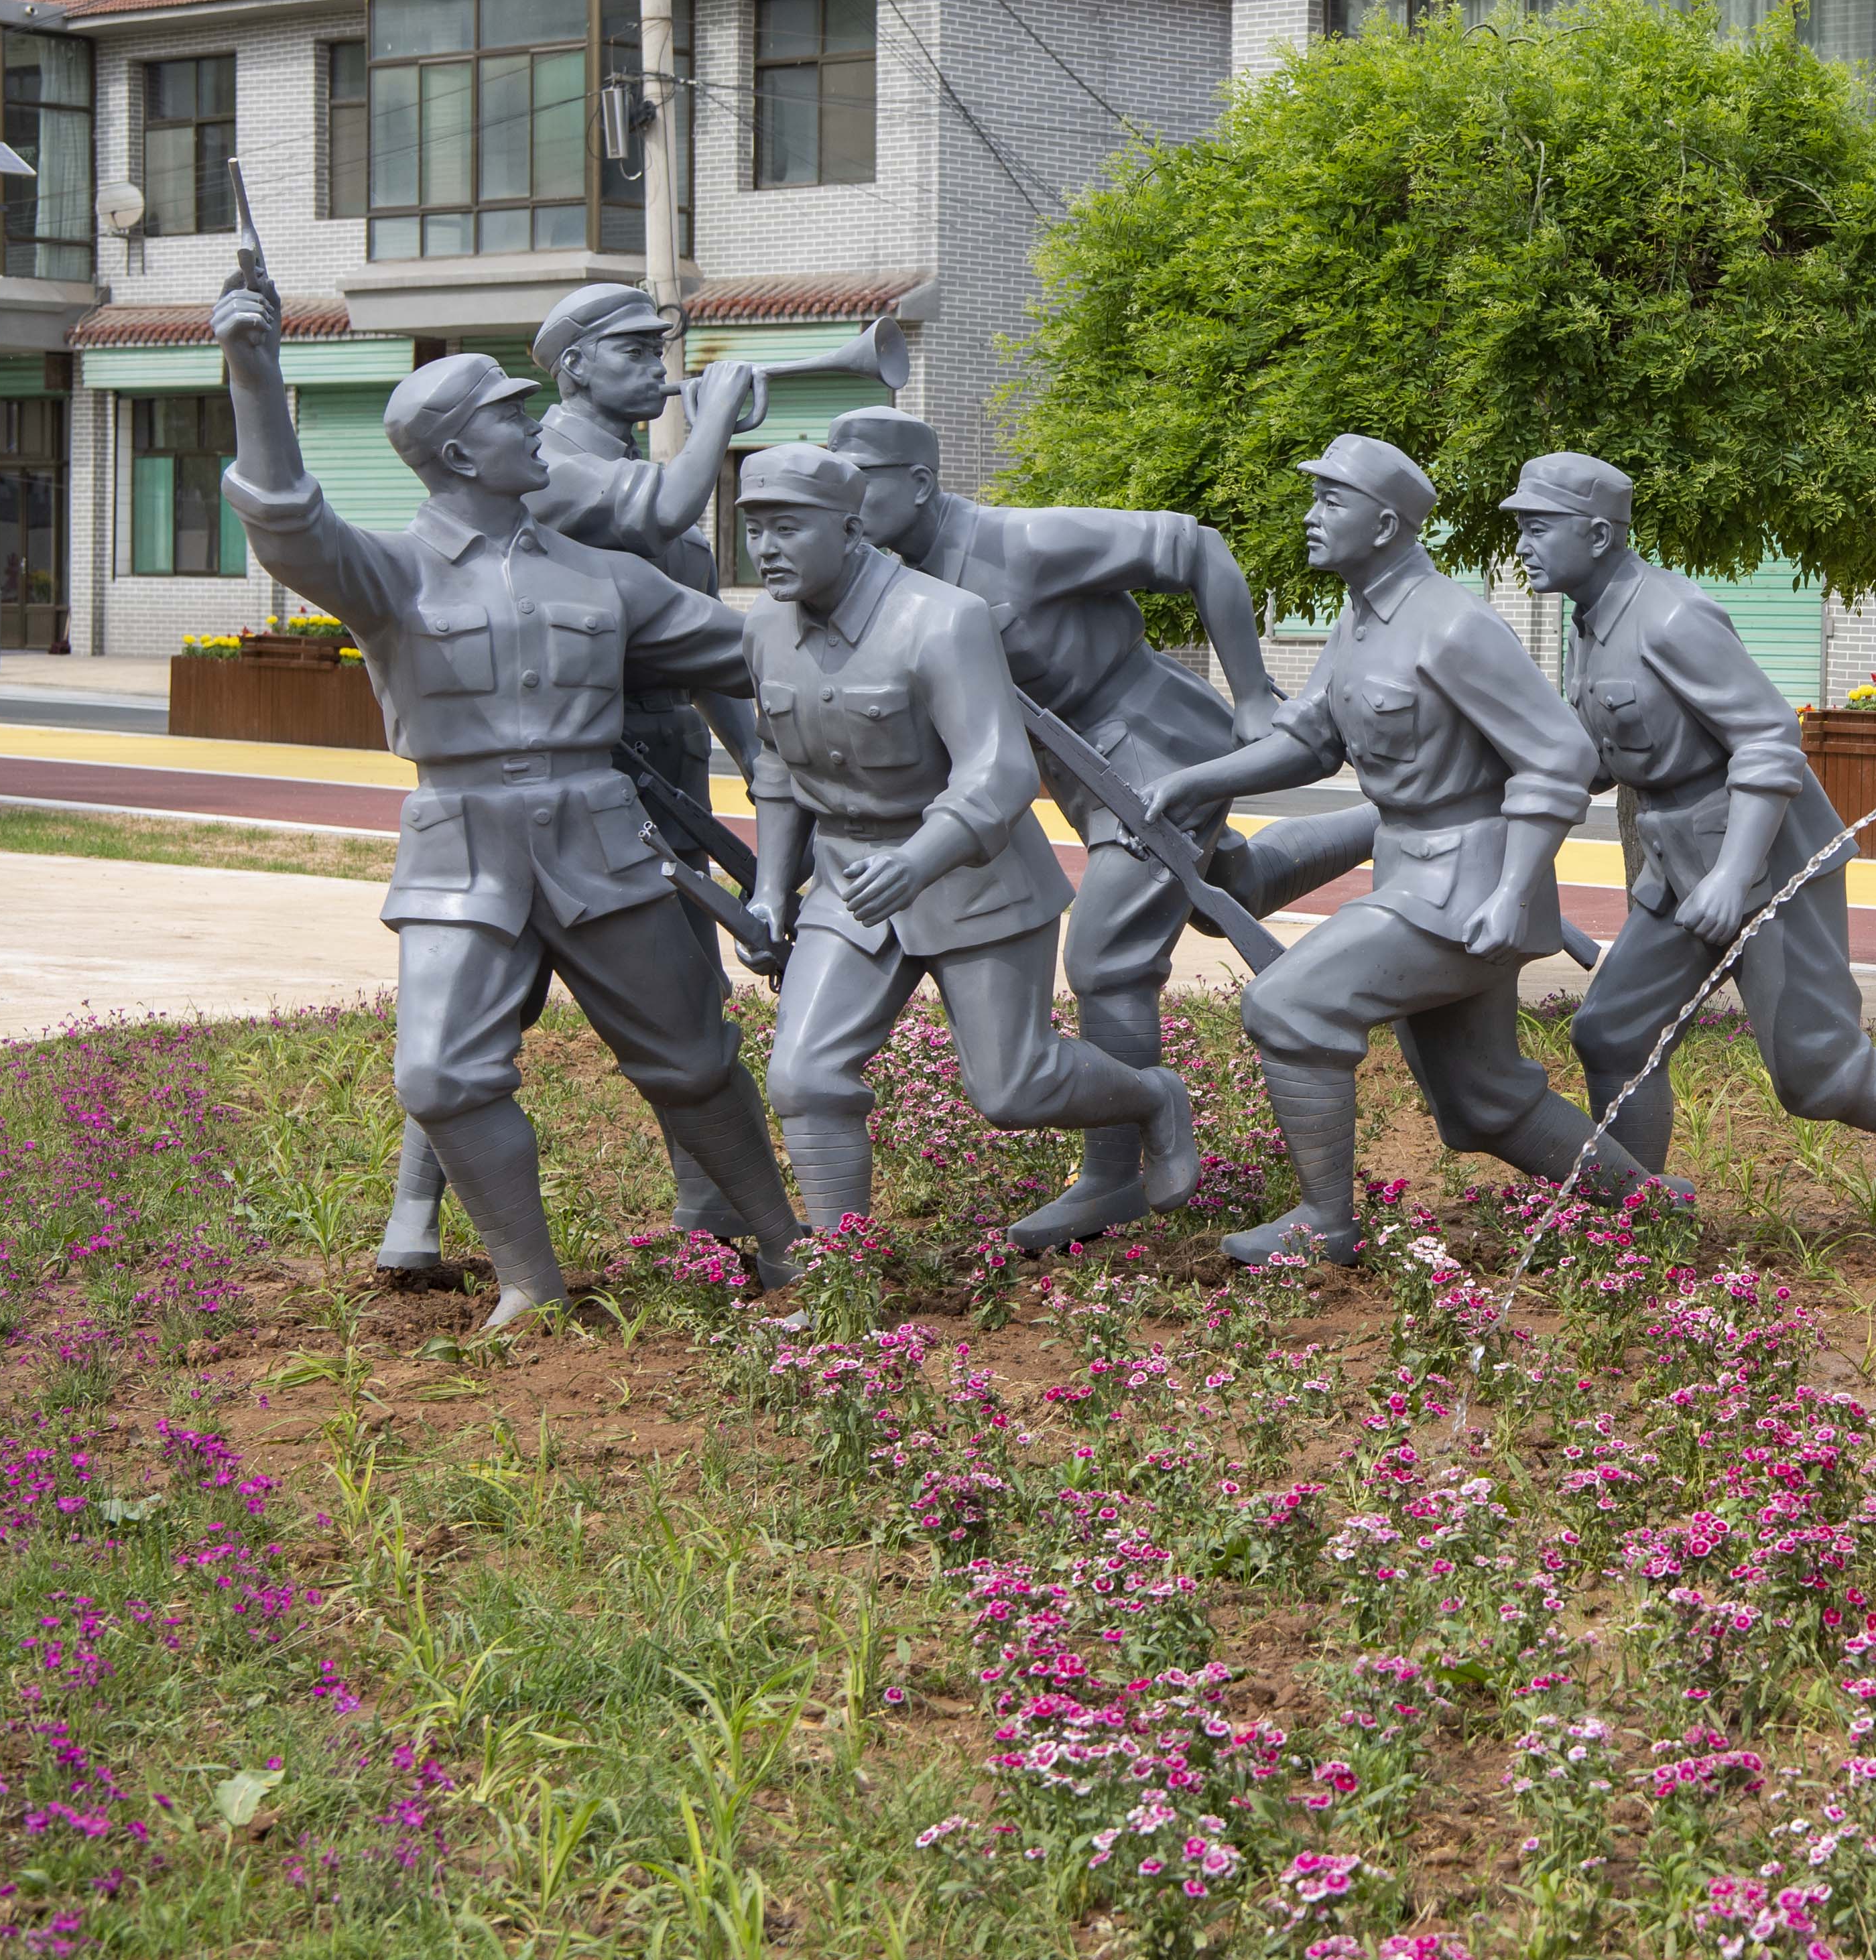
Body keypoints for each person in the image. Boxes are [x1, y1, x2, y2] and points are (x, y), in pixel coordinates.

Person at [209, 262, 805, 1331]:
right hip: (461, 852)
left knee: (693, 1059)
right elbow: (287, 521)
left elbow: (754, 648)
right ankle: (530, 1284)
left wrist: (921, 622)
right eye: (507, 417)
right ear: (455, 454)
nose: (534, 430)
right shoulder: (391, 572)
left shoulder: (604, 574)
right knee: (441, 1077)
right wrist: (254, 372)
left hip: (600, 843)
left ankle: (785, 1249)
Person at [825, 407, 1381, 1248]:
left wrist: (1252, 692)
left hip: (1157, 745)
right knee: (1229, 886)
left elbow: (1199, 548)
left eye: (861, 480)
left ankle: (1114, 1173)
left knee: (1104, 954)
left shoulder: (1023, 541)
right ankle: (1387, 819)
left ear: (920, 483)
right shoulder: (895, 580)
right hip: (1078, 774)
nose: (846, 499)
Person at [1505, 452, 1876, 1252]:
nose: (1522, 544)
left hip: (1770, 865)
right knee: (1613, 1035)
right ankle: (1637, 1214)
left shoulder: (1672, 618)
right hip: (1680, 864)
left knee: (1816, 1073)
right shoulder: (1589, 625)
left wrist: (1733, 874)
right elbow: (1601, 756)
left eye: (1537, 526)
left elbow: (1767, 741)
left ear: (1597, 533)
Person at [1144, 436, 1649, 1268]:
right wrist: (1197, 782)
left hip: (1469, 887)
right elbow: (1312, 740)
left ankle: (1325, 1222)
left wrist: (1513, 891)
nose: (1311, 517)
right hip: (1415, 871)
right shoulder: (1359, 617)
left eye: (1331, 501)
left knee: (1288, 1003)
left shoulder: (1451, 625)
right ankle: (1652, 1208)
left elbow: (1560, 755)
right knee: (1482, 1101)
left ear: (1384, 525)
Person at [373, 282, 769, 1270]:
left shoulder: (629, 482)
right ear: (575, 366)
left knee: (681, 995)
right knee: (483, 1001)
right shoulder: (551, 468)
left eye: (657, 350)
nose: (656, 369)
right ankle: (417, 1211)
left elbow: (704, 646)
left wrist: (756, 757)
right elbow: (667, 509)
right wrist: (715, 420)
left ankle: (711, 1203)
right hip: (583, 762)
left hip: (655, 758)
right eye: (632, 351)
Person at [733, 444, 1198, 1233]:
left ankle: (1155, 1096)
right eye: (755, 530)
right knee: (803, 1077)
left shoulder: (942, 618)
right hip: (849, 881)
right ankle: (842, 1269)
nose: (766, 549)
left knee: (1013, 1090)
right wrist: (772, 889)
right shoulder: (765, 629)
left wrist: (917, 860)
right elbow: (777, 767)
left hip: (976, 876)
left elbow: (999, 772)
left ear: (849, 529)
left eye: (788, 528)